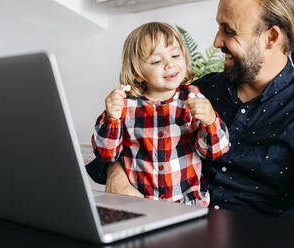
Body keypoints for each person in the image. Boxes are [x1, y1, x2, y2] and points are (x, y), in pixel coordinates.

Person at [86, 0, 294, 217]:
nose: (216, 41)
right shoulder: (199, 91)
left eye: (229, 31)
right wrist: (115, 175)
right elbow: (128, 140)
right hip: (167, 220)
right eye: (218, 27)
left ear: (271, 37)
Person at [92, 22, 229, 207]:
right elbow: (105, 153)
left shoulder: (193, 98)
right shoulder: (125, 105)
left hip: (188, 207)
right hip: (140, 206)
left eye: (175, 55)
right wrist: (111, 118)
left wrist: (210, 120)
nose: (169, 64)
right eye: (156, 61)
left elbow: (215, 151)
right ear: (137, 73)